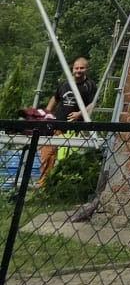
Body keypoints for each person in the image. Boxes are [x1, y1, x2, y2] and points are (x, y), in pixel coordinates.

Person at [34, 57, 96, 188]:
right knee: (46, 153)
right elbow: (55, 98)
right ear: (72, 69)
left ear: (86, 69)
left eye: (81, 68)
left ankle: (66, 186)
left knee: (69, 159)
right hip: (57, 125)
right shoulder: (64, 84)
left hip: (75, 129)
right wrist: (46, 114)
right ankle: (43, 184)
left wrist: (79, 114)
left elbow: (93, 104)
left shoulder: (89, 85)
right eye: (76, 68)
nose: (78, 71)